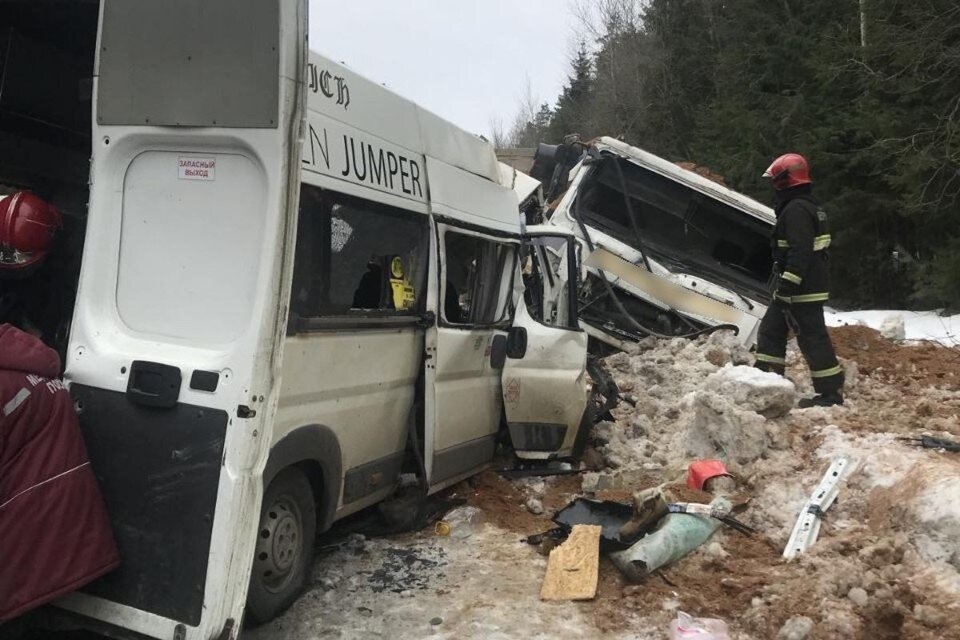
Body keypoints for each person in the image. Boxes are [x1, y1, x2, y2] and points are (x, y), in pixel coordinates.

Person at [753, 153, 844, 407]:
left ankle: (830, 394)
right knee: (773, 330)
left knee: (811, 337)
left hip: (801, 289)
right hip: (805, 286)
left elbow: (799, 253)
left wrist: (787, 287)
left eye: (775, 180)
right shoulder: (806, 206)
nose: (773, 185)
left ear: (784, 180)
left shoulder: (795, 211)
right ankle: (766, 382)